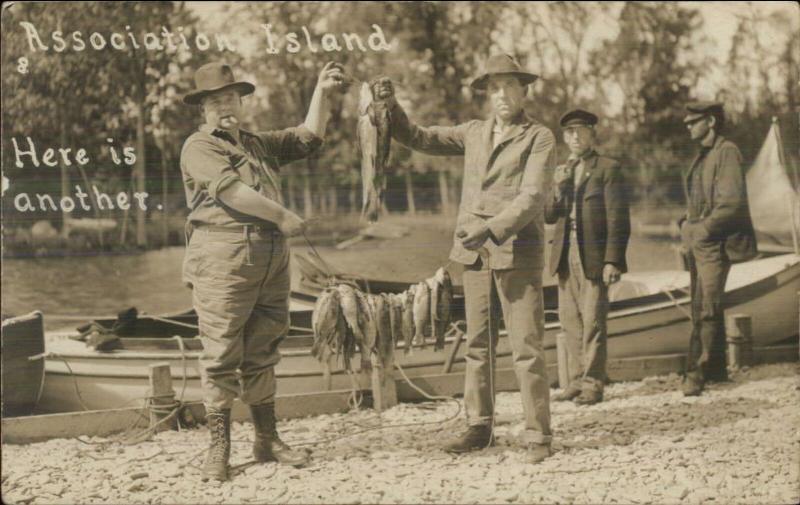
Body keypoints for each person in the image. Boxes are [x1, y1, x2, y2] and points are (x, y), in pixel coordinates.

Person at [180, 61, 345, 481]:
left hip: (271, 255)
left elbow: (309, 137)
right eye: (216, 101)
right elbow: (233, 192)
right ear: (203, 108)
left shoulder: (255, 143)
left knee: (264, 346)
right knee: (220, 354)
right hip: (223, 257)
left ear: (241, 101)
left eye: (231, 97)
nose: (226, 106)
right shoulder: (199, 147)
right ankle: (218, 449)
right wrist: (283, 215)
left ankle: (266, 438)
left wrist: (322, 92)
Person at [385, 53, 555, 463]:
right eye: (494, 86)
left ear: (524, 89)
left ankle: (538, 436)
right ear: (485, 92)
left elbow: (532, 197)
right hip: (474, 255)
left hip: (518, 253)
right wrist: (390, 107)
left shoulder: (540, 137)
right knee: (478, 344)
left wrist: (492, 228)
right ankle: (480, 426)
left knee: (526, 346)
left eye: (510, 85)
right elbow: (419, 137)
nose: (502, 94)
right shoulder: (473, 132)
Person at [544, 109, 631, 405]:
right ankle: (577, 380)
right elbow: (547, 216)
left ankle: (593, 384)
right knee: (570, 321)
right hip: (564, 253)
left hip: (592, 254)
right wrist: (557, 188)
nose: (575, 137)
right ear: (564, 137)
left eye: (581, 131)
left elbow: (618, 219)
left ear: (593, 134)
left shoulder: (607, 168)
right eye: (569, 132)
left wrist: (613, 260)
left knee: (593, 320)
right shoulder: (561, 170)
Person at [679, 100, 757, 396]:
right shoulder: (704, 155)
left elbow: (732, 204)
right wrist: (686, 223)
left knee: (706, 308)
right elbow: (701, 200)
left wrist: (701, 230)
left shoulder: (726, 152)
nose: (688, 126)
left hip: (715, 244)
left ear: (710, 122)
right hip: (700, 243)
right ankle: (716, 370)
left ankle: (695, 374)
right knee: (703, 303)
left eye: (693, 121)